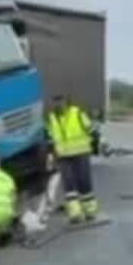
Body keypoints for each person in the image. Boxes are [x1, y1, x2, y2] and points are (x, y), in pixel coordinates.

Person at [47, 93, 101, 222]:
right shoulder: (52, 118)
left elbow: (92, 129)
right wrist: (50, 155)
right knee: (69, 184)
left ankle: (90, 211)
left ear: (66, 101)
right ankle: (75, 213)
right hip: (63, 156)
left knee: (84, 182)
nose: (58, 103)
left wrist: (102, 143)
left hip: (81, 153)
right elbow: (50, 138)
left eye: (60, 100)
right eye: (55, 100)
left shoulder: (76, 113)